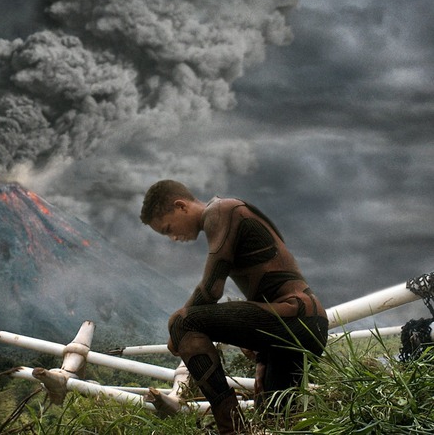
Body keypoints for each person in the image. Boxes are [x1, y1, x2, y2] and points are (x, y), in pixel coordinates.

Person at [139, 180, 328, 434]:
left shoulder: (221, 211)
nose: (173, 238)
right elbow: (267, 283)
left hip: (296, 316)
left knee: (183, 322)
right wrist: (261, 354)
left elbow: (211, 289)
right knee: (276, 424)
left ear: (180, 206)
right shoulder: (231, 213)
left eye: (168, 228)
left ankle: (232, 430)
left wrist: (176, 334)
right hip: (302, 326)